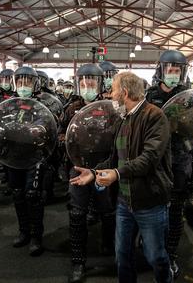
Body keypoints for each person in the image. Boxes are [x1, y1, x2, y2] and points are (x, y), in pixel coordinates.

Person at [70, 71, 173, 283]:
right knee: (123, 256)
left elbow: (149, 158)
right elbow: (115, 159)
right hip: (124, 203)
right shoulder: (123, 119)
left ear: (124, 92)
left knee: (156, 257)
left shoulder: (155, 116)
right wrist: (93, 172)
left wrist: (116, 174)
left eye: (114, 90)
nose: (111, 94)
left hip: (149, 201)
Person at [62, 64, 115, 283]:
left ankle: (108, 243)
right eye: (84, 83)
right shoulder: (70, 108)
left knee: (108, 211)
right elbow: (60, 133)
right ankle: (78, 261)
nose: (87, 87)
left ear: (100, 84)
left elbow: (118, 139)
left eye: (92, 83)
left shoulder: (111, 108)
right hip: (78, 167)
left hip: (104, 167)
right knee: (77, 214)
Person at [145, 49, 189, 277]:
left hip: (179, 158)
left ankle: (170, 255)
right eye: (170, 69)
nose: (173, 73)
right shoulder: (149, 95)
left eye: (177, 70)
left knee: (175, 210)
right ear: (161, 70)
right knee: (153, 208)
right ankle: (152, 250)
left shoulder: (189, 96)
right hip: (154, 158)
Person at [7, 66, 50, 256]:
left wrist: (36, 129)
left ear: (35, 83)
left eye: (28, 82)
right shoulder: (9, 104)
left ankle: (36, 236)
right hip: (13, 156)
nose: (23, 85)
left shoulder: (42, 104)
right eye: (20, 81)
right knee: (17, 194)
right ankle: (23, 231)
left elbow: (46, 124)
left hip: (34, 156)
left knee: (32, 195)